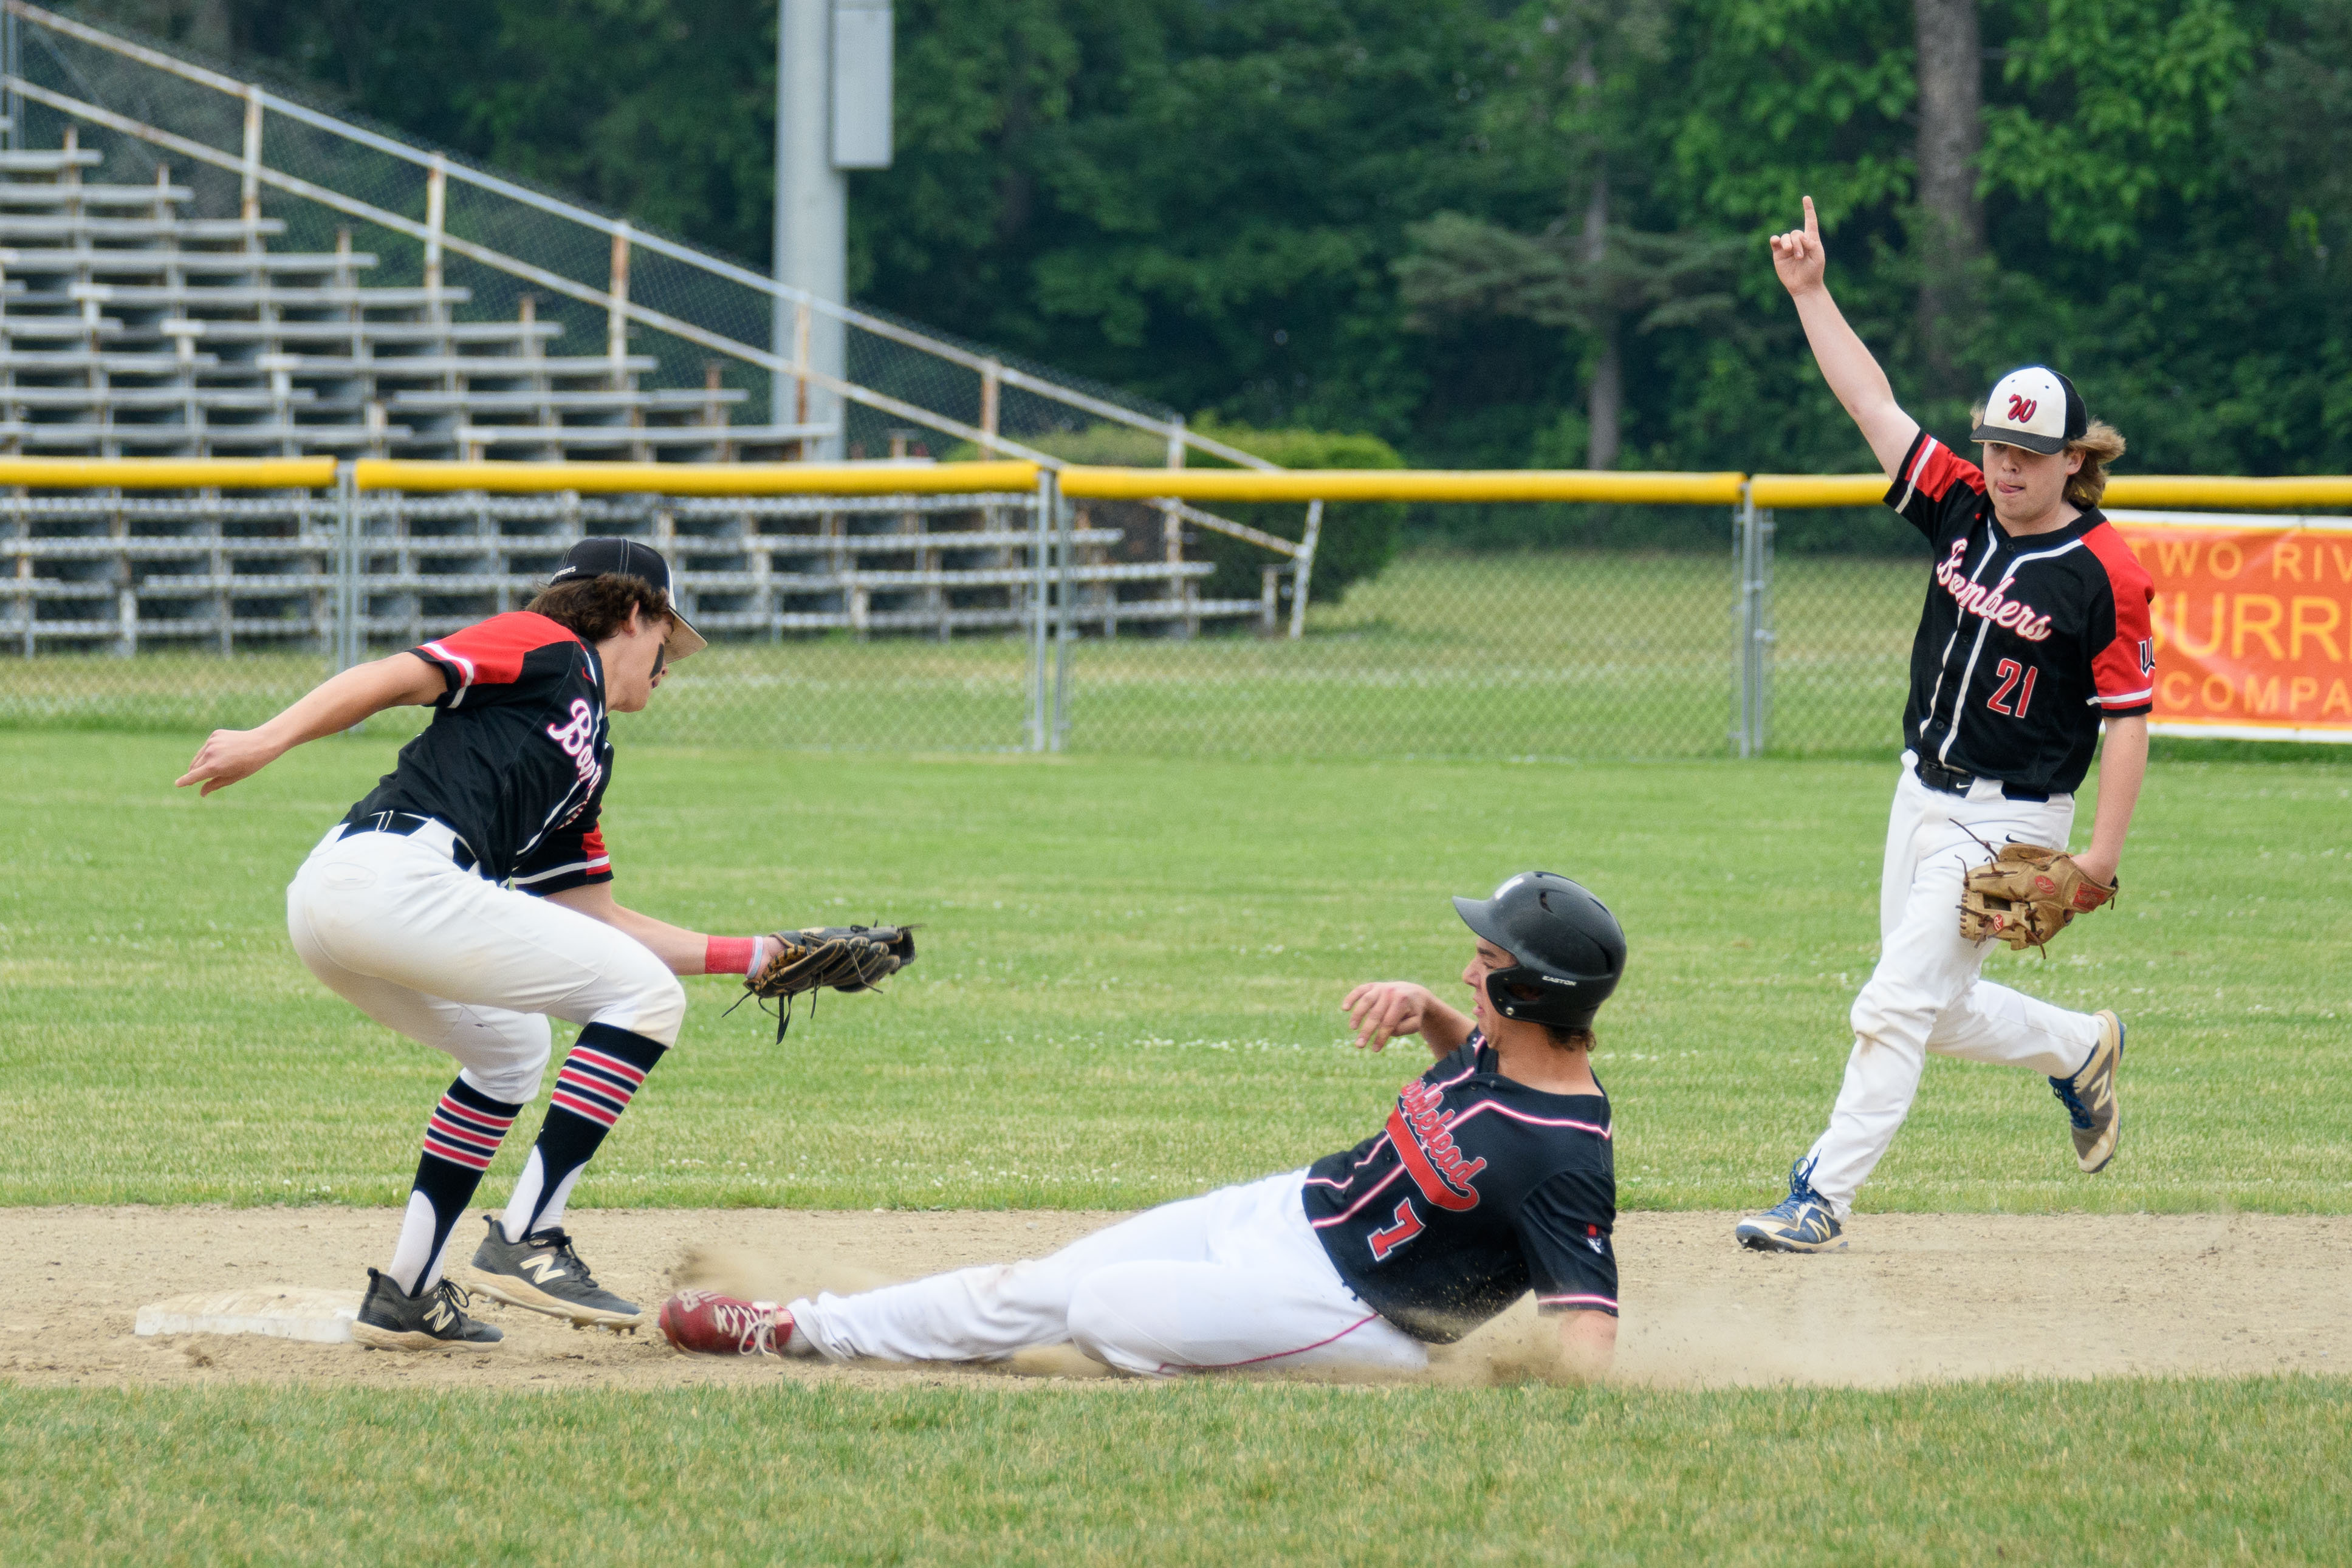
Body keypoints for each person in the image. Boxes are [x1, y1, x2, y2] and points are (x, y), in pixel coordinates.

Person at [177, 539, 796, 1350]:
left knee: (512, 1042)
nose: (670, 663)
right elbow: (398, 675)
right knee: (644, 997)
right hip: (392, 874)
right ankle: (528, 1236)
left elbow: (592, 920)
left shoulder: (586, 754)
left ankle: (406, 1292)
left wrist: (754, 953)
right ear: (631, 612)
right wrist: (270, 736)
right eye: (666, 640)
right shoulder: (550, 645)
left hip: (357, 899)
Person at [659, 872, 1626, 1380]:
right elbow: (1475, 1091)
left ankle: (1218, 1350)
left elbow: (1582, 1342)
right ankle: (792, 1327)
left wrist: (1499, 1382)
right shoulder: (1508, 1045)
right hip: (1288, 1210)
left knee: (1101, 1309)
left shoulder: (1565, 1156)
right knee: (1033, 1288)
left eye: (1481, 959)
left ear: (1523, 987)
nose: (1466, 971)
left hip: (1357, 1316)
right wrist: (1427, 1011)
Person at [1733, 198, 2155, 1253]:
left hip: (2013, 821)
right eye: (1994, 444)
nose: (2006, 465)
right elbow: (1870, 400)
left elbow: (2131, 720)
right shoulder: (1961, 505)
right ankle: (2079, 1045)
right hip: (1919, 792)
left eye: (2028, 451)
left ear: (2073, 461)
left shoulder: (2107, 574)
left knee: (1892, 1001)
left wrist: (2099, 855)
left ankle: (1821, 1192)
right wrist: (1812, 293)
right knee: (1932, 1003)